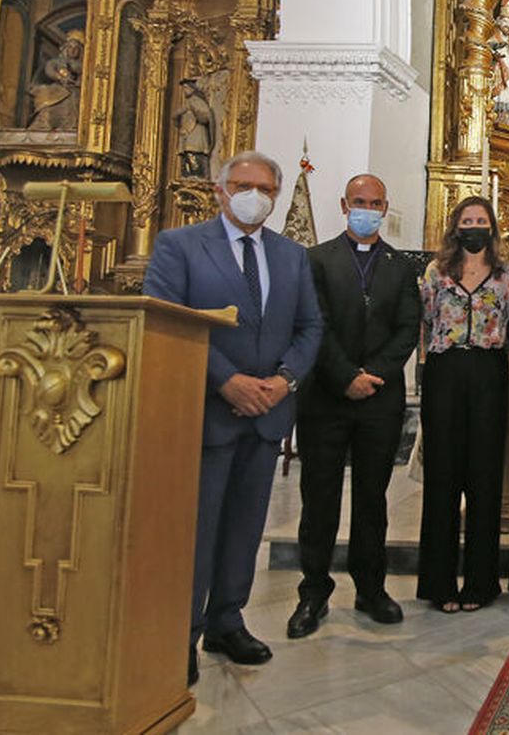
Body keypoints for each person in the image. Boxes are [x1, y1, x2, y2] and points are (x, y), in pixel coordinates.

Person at [143, 150, 323, 686]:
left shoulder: (292, 255)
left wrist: (283, 381)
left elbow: (310, 326)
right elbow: (165, 316)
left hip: (267, 412)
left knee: (246, 525)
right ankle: (182, 634)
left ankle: (227, 619)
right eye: (244, 184)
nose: (255, 195)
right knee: (198, 527)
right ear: (220, 190)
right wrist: (226, 380)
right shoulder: (180, 246)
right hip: (205, 408)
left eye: (266, 188)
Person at [285, 173, 420, 639]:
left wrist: (374, 376)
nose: (367, 208)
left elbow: (407, 330)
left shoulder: (401, 267)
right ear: (345, 205)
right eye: (359, 201)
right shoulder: (316, 260)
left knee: (372, 498)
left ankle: (371, 588)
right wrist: (345, 377)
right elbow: (313, 324)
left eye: (375, 202)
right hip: (326, 396)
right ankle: (313, 591)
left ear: (386, 208)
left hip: (379, 400)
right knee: (318, 497)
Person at [416, 196, 509, 613]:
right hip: (445, 372)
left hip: (489, 373)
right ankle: (438, 582)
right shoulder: (436, 272)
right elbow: (425, 322)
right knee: (443, 477)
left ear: (492, 228)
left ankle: (481, 581)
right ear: (455, 227)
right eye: (467, 220)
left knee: (484, 479)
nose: (474, 226)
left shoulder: (507, 276)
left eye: (481, 220)